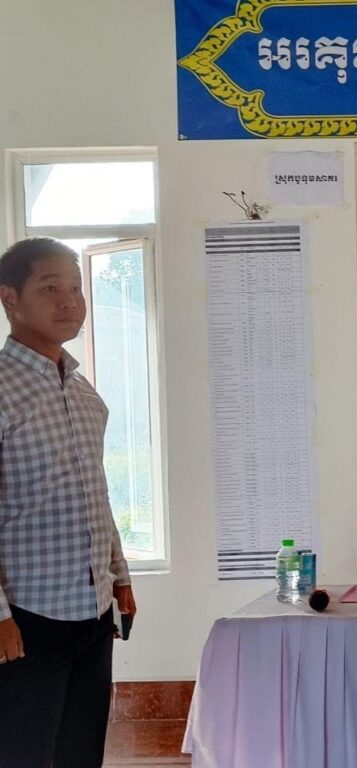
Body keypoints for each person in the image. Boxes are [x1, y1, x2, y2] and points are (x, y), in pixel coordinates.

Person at [0, 238, 137, 768]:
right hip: (25, 617)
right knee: (23, 754)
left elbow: (94, 493)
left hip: (92, 612)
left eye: (76, 288)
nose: (70, 301)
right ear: (10, 298)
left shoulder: (83, 393)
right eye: (50, 288)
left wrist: (119, 576)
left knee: (81, 752)